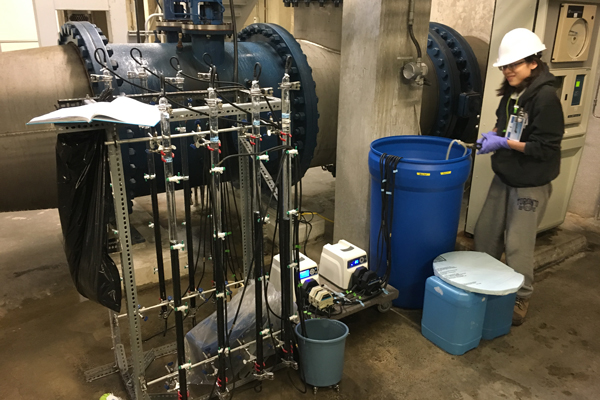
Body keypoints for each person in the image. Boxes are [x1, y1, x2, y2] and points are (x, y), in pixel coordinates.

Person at [474, 28, 564, 326]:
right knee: (486, 235)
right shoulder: (515, 92)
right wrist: (495, 135)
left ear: (533, 62)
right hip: (506, 175)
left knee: (517, 244)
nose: (507, 70)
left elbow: (544, 148)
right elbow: (507, 126)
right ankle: (484, 287)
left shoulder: (547, 98)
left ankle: (522, 295)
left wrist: (504, 143)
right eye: (505, 65)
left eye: (514, 65)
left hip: (530, 183)